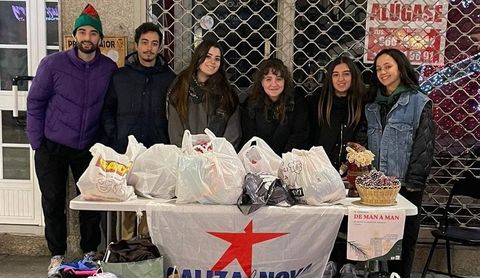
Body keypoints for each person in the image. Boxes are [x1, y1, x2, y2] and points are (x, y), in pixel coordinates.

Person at [26, 4, 117, 276]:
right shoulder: (52, 64)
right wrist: (37, 142)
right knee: (53, 201)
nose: (87, 38)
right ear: (74, 35)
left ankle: (90, 252)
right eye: (82, 32)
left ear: (99, 38)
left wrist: (103, 145)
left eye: (93, 33)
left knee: (90, 202)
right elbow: (35, 103)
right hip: (52, 146)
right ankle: (57, 255)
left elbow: (108, 108)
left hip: (88, 147)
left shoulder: (108, 68)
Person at [101, 22, 175, 240]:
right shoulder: (120, 77)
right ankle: (124, 254)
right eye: (144, 43)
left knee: (152, 209)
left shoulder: (170, 79)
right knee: (127, 208)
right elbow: (107, 110)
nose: (149, 49)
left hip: (156, 155)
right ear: (136, 45)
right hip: (125, 154)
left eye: (154, 44)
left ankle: (149, 254)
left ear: (160, 47)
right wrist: (115, 138)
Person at [366, 48, 434, 278]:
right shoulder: (372, 104)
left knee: (403, 243)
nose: (383, 72)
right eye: (378, 69)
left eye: (388, 66)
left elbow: (424, 146)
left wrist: (414, 182)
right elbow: (363, 140)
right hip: (375, 190)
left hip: (405, 186)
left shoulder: (418, 102)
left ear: (400, 68)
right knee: (376, 241)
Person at [167, 40, 241, 148]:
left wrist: (216, 154)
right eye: (208, 56)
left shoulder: (227, 94)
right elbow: (175, 132)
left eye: (217, 59)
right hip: (187, 158)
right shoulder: (179, 89)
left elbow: (233, 133)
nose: (212, 62)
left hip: (217, 160)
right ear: (199, 57)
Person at [241, 58, 309, 155]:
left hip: (289, 162)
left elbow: (299, 135)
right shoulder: (251, 104)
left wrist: (283, 160)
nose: (274, 84)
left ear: (285, 81)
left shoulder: (298, 103)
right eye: (268, 79)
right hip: (261, 163)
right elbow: (250, 138)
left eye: (279, 79)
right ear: (261, 82)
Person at [311, 55, 367, 170]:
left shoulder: (363, 102)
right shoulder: (318, 100)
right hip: (321, 170)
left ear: (353, 76)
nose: (341, 79)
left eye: (346, 74)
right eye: (336, 75)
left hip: (352, 171)